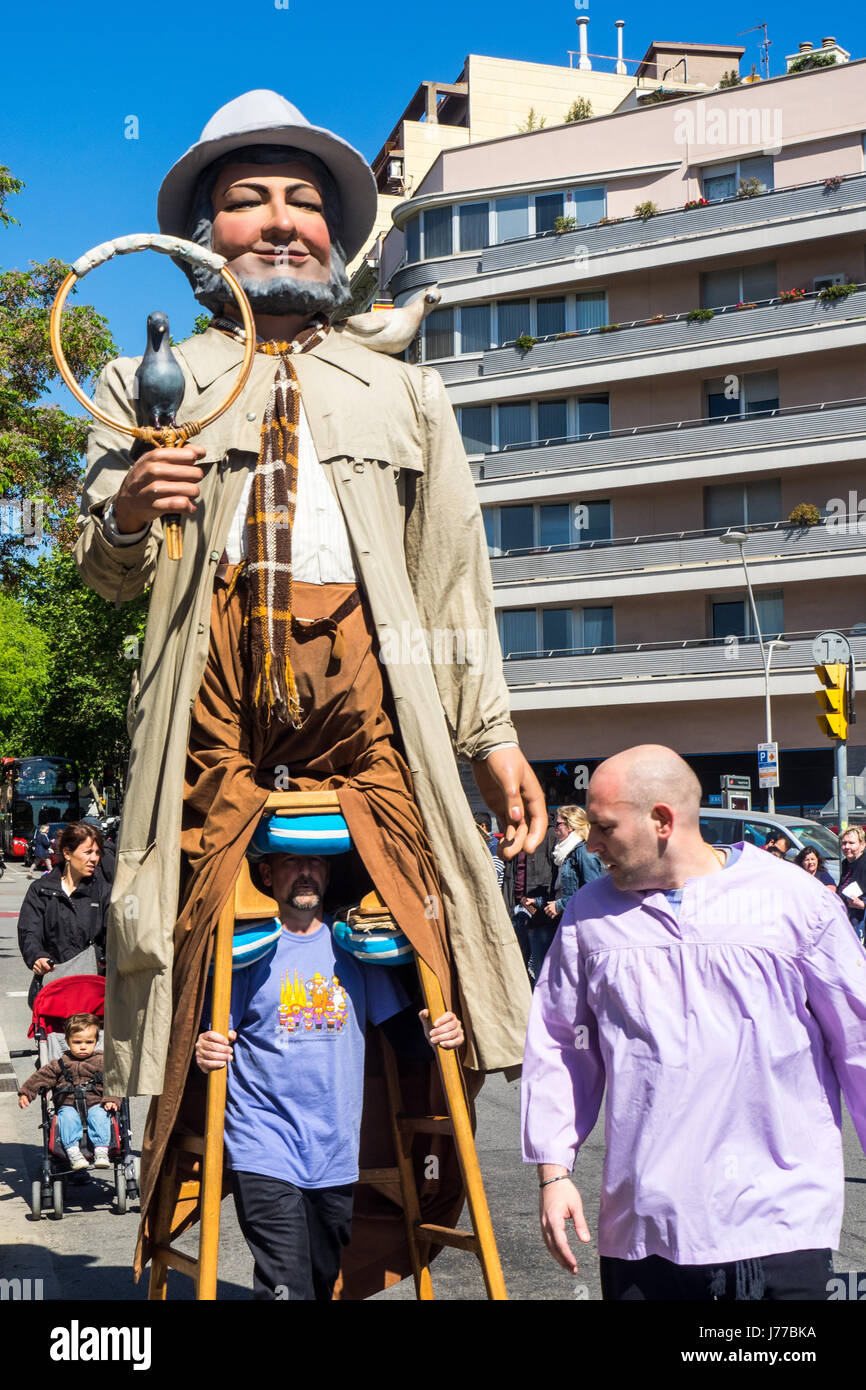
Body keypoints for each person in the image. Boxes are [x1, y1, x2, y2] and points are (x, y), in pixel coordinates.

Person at [74, 90, 544, 1285]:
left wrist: (488, 735)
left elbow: (450, 587)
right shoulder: (153, 382)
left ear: (335, 231)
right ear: (202, 236)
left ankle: (370, 1254)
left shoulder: (405, 394)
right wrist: (128, 510)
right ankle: (193, 1261)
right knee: (200, 1020)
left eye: (303, 202)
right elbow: (104, 571)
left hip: (380, 747)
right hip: (210, 747)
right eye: (248, 202)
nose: (280, 223)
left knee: (417, 990)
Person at [522, 744, 866, 1301]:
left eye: (605, 826)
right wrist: (553, 1169)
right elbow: (561, 1046)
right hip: (644, 1225)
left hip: (777, 1224)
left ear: (662, 819)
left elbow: (859, 1038)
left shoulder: (793, 902)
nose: (591, 843)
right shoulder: (590, 917)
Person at [195, 849, 463, 1300]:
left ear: (328, 872)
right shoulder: (245, 948)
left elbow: (410, 1044)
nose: (305, 872)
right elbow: (212, 1035)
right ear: (266, 872)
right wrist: (207, 1046)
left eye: (315, 863)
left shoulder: (353, 948)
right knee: (285, 1284)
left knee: (321, 1282)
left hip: (335, 1151)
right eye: (292, 862)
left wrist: (439, 1030)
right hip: (262, 1143)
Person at [17, 822, 110, 1007]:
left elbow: (113, 937)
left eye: (97, 853)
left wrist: (105, 957)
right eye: (88, 852)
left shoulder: (103, 891)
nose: (94, 859)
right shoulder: (41, 890)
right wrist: (36, 956)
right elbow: (29, 931)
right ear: (67, 853)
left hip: (94, 992)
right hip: (54, 988)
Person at [17, 1013, 119, 1170]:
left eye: (89, 1042)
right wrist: (26, 1092)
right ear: (67, 1042)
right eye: (77, 1042)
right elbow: (41, 1077)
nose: (83, 1046)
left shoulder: (101, 1061)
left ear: (96, 1042)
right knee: (67, 1118)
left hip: (96, 1102)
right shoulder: (60, 1063)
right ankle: (73, 1152)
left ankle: (101, 1150)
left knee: (100, 1115)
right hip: (68, 1104)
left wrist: (111, 1098)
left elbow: (114, 1081)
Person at [536, 806, 604, 979]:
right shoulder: (564, 853)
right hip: (566, 919)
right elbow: (562, 890)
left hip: (580, 923)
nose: (555, 828)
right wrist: (538, 901)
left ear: (571, 826)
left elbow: (592, 891)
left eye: (558, 824)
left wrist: (560, 905)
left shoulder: (584, 853)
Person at [502, 827, 555, 979]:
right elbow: (508, 875)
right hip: (515, 907)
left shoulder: (548, 833)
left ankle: (539, 1001)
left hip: (539, 911)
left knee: (541, 968)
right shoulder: (514, 834)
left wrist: (545, 903)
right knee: (515, 968)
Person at [838, 826, 866, 940]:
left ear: (862, 845)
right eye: (844, 843)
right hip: (849, 920)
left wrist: (863, 905)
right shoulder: (846, 863)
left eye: (851, 843)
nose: (847, 847)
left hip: (861, 924)